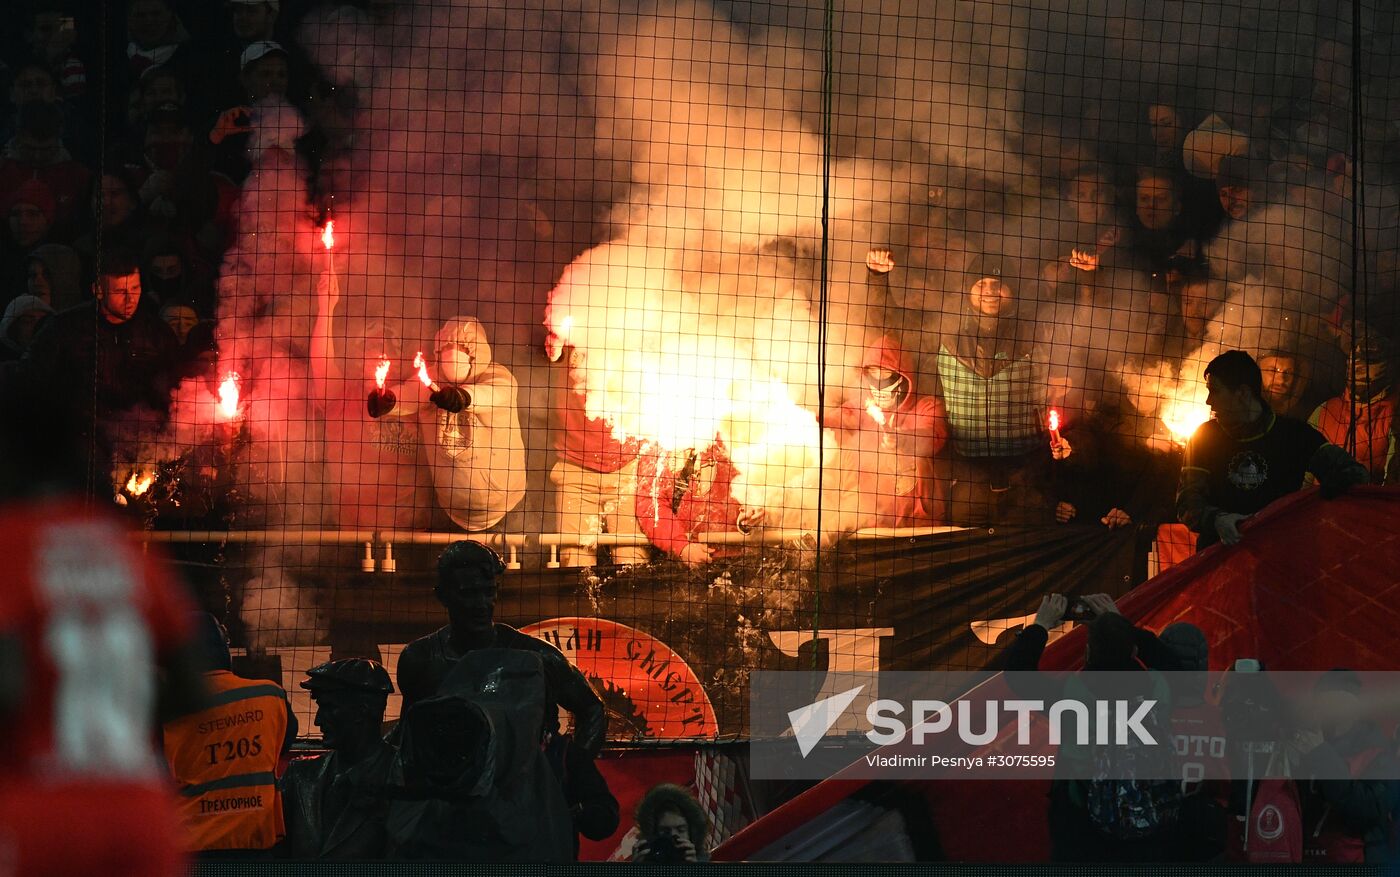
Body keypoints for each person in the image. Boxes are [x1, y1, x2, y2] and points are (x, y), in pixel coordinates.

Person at [0, 379, 206, 876]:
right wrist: (123, 717)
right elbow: (194, 688)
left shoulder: (11, 544)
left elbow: (9, 687)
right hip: (141, 814)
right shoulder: (124, 548)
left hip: (39, 806)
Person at [1005, 593, 1183, 862]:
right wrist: (1122, 625)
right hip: (1146, 817)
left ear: (1087, 652)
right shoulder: (1160, 687)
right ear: (1134, 651)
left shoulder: (1070, 697)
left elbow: (1017, 670)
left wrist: (1040, 624)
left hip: (1081, 819)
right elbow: (1174, 664)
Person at [396, 540, 607, 755]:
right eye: (469, 593)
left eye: (488, 592)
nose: (481, 603)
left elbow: (593, 710)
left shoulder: (538, 657)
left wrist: (569, 772)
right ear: (443, 596)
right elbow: (408, 733)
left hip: (519, 786)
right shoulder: (420, 659)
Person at [1177, 350, 1368, 550]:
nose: (1209, 401)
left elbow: (1354, 474)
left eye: (1215, 391)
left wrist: (1312, 506)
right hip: (1219, 560)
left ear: (1242, 393)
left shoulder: (1294, 434)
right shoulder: (1204, 437)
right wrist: (1217, 520)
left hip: (1280, 560)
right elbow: (1187, 503)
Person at [367, 316, 526, 531]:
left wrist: (463, 397)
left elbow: (491, 394)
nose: (454, 353)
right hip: (450, 507)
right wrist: (390, 401)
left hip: (504, 506)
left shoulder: (498, 377)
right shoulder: (432, 378)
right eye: (448, 347)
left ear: (475, 354)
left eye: (461, 347)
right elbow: (411, 393)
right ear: (439, 352)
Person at [161, 613, 296, 856]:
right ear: (225, 649)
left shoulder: (168, 711)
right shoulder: (271, 695)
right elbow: (284, 743)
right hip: (258, 846)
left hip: (193, 849)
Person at [281, 659, 396, 860]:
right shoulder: (299, 777)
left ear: (364, 709)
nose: (317, 719)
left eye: (328, 707)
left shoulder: (402, 776)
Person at [547, 341, 648, 566]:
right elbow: (547, 349)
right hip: (575, 470)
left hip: (629, 469)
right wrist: (554, 345)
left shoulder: (639, 324)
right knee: (574, 566)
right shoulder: (569, 322)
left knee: (632, 565)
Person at [1294, 670, 1398, 863]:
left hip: (1360, 860)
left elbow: (1365, 812)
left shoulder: (1380, 754)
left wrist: (1320, 753)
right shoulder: (1304, 745)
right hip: (1304, 856)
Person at [633, 436, 764, 565]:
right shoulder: (658, 445)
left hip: (743, 558)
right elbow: (650, 506)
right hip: (684, 561)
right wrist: (682, 547)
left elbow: (760, 489)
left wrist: (749, 517)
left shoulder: (735, 436)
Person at [1309, 330, 1397, 485]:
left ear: (1388, 367)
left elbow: (1392, 482)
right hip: (1321, 504)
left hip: (1367, 506)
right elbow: (1304, 472)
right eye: (1353, 360)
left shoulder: (1395, 413)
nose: (1357, 368)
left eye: (1368, 362)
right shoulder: (1326, 410)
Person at [630, 783, 708, 863]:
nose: (673, 836)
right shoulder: (647, 857)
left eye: (680, 830)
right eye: (665, 831)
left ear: (691, 833)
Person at [0, 294, 53, 362]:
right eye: (28, 321)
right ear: (13, 332)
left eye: (44, 320)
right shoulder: (8, 371)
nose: (38, 325)